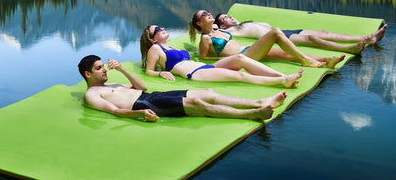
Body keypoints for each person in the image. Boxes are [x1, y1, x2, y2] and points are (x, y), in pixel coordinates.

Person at [78, 54, 288, 122]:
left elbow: (141, 86)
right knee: (197, 103)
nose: (104, 71)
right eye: (99, 69)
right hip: (143, 104)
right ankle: (251, 114)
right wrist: (140, 113)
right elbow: (115, 112)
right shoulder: (92, 95)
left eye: (104, 67)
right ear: (88, 74)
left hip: (151, 95)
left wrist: (123, 70)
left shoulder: (112, 83)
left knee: (208, 93)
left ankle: (259, 101)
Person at [140, 25, 304, 88]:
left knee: (240, 59)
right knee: (239, 75)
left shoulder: (171, 46)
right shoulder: (155, 48)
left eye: (161, 27)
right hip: (195, 74)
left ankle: (282, 76)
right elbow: (149, 71)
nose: (162, 28)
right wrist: (160, 73)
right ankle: (281, 81)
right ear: (153, 38)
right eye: (157, 29)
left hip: (204, 68)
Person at [190, 10, 347, 68]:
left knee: (286, 54)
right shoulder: (205, 38)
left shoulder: (217, 29)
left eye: (208, 12)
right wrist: (227, 59)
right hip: (243, 57)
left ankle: (327, 60)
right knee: (275, 33)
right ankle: (307, 61)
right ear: (199, 23)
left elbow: (221, 27)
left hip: (247, 51)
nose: (208, 14)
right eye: (204, 15)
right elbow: (204, 57)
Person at [214, 12, 387, 53]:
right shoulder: (231, 32)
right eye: (225, 18)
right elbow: (211, 31)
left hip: (284, 31)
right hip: (277, 37)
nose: (229, 17)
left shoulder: (244, 23)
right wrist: (215, 26)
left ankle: (367, 37)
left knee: (323, 32)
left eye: (228, 15)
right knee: (311, 38)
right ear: (222, 26)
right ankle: (349, 49)